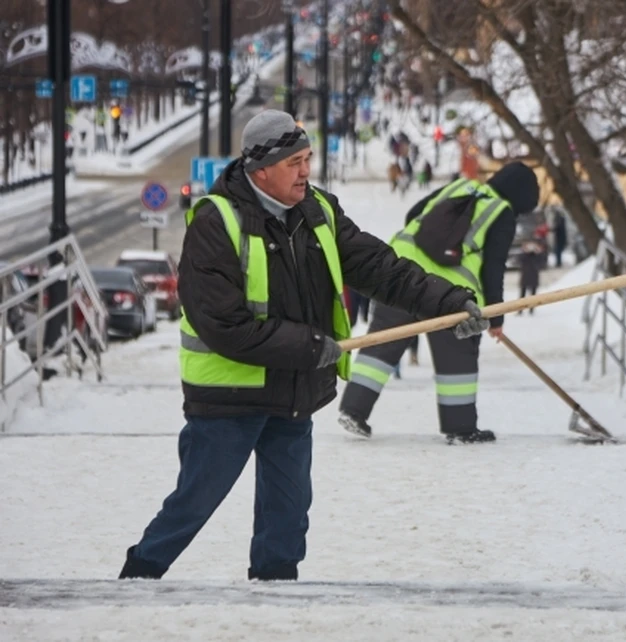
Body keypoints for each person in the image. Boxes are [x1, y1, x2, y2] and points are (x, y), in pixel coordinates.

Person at [118, 110, 488, 582]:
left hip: (294, 393)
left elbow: (384, 269)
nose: (305, 171)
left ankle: (276, 597)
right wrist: (309, 346)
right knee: (194, 502)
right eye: (294, 162)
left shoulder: (320, 212)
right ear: (261, 169)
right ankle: (137, 578)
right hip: (229, 399)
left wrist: (450, 301)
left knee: (288, 517)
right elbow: (223, 325)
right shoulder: (217, 223)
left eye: (308, 158)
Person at [338, 162, 540, 443]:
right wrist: (496, 318)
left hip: (400, 274)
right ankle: (460, 429)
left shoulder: (458, 186)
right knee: (457, 358)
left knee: (380, 345)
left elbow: (414, 213)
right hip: (451, 294)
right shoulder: (501, 212)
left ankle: (352, 410)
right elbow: (493, 267)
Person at [517, 225, 548, 314]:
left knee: (533, 293)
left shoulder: (538, 253)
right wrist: (525, 252)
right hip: (525, 275)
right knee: (522, 293)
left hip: (534, 274)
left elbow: (543, 262)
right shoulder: (524, 254)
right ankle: (520, 309)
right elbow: (519, 260)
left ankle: (532, 309)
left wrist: (538, 252)